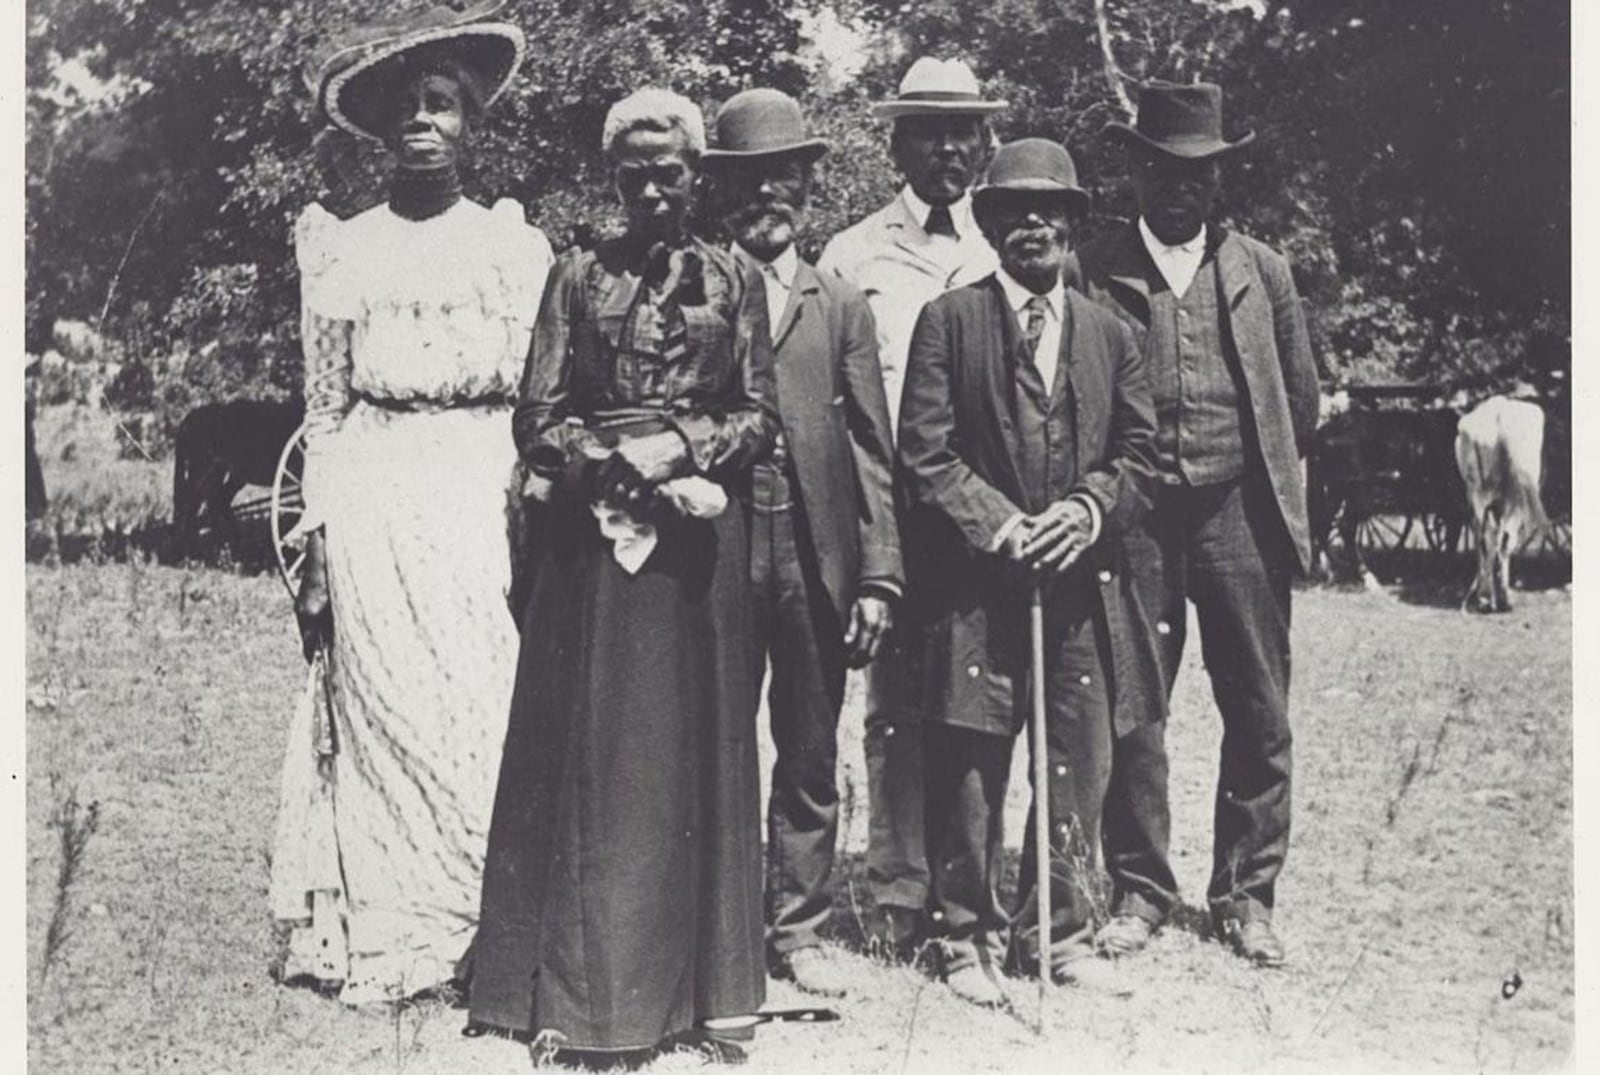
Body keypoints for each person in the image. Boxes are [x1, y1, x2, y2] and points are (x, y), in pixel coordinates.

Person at [468, 88, 778, 1065]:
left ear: (696, 176)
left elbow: (760, 416)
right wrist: (618, 470)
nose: (653, 187)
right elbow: (538, 416)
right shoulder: (574, 276)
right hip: (590, 556)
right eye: (634, 172)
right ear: (613, 178)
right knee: (596, 764)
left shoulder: (734, 281)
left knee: (690, 762)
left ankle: (695, 999)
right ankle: (582, 1002)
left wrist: (681, 448)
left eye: (670, 171)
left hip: (694, 559)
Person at [267, 2, 553, 1005]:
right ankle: (392, 922)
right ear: (383, 129)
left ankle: (484, 919)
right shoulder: (345, 247)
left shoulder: (511, 247)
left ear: (472, 121)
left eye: (442, 105)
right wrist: (319, 536)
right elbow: (328, 406)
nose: (423, 123)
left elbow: (534, 398)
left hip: (477, 484)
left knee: (479, 691)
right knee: (384, 698)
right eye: (407, 109)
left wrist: (531, 502)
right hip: (379, 486)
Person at [899, 138, 1156, 1006]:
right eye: (1013, 210)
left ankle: (1061, 929)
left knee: (1077, 758)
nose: (1033, 224)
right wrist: (1003, 526)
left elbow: (1141, 454)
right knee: (971, 758)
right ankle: (960, 934)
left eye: (1051, 210)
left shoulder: (1111, 332)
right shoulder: (952, 320)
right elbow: (924, 456)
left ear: (1076, 224)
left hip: (1079, 587)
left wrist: (1085, 511)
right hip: (977, 587)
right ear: (991, 222)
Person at [1073, 81, 1318, 968]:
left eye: (1200, 173)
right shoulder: (1091, 268)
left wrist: (1257, 484)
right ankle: (1139, 888)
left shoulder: (1263, 272)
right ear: (1136, 171)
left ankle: (1247, 895)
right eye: (1164, 169)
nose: (1181, 187)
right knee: (1134, 706)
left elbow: (1301, 399)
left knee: (1258, 705)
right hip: (1134, 521)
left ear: (1220, 181)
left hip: (1238, 514)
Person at [702, 89, 903, 997]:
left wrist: (879, 576)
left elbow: (872, 446)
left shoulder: (842, 303)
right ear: (724, 192)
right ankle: (720, 920)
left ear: (807, 188)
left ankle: (802, 925)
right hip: (718, 549)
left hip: (818, 552)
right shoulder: (694, 287)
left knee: (810, 747)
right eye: (748, 181)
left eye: (783, 178)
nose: (767, 197)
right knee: (716, 737)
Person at [816, 55, 1005, 955]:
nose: (949, 149)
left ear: (984, 141)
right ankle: (896, 891)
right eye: (930, 129)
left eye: (964, 131)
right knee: (893, 705)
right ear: (897, 140)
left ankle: (973, 887)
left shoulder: (1007, 244)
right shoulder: (852, 255)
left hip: (981, 518)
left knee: (974, 705)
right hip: (888, 513)